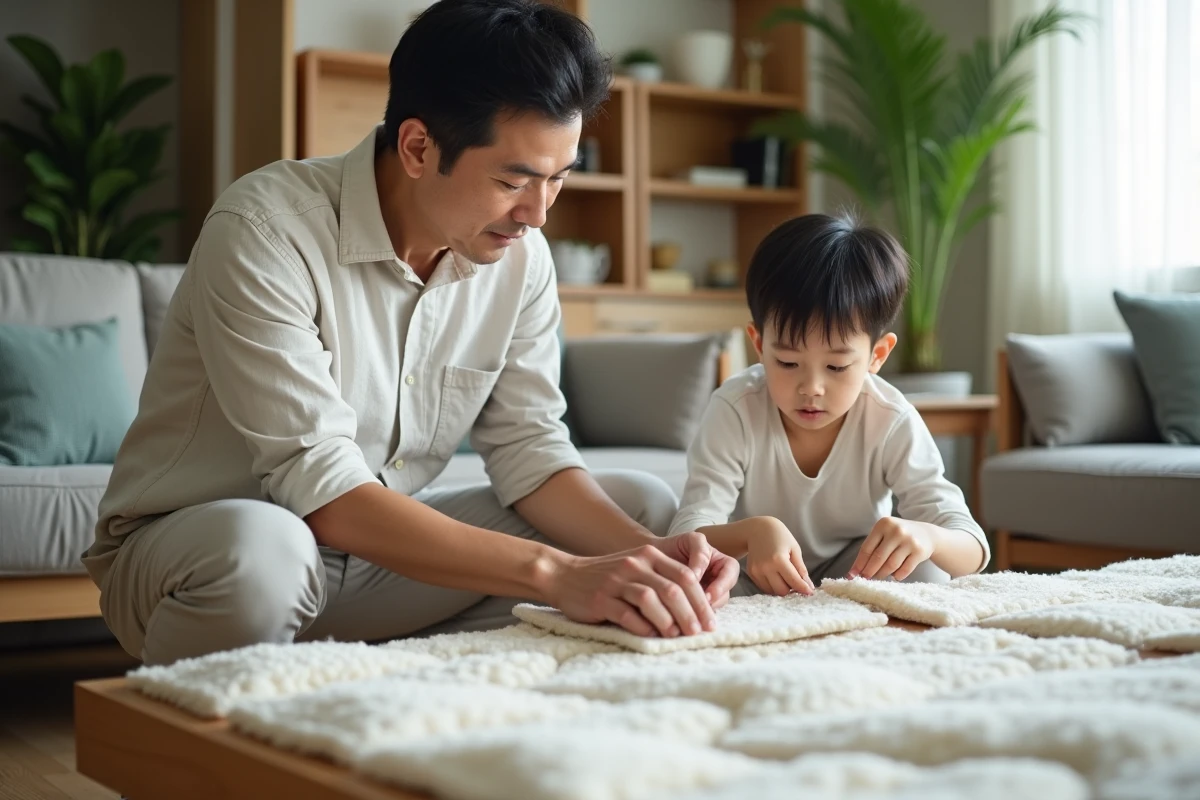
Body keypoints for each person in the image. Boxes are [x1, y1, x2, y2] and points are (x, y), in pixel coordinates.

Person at [83, 0, 738, 666]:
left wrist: (652, 561)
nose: (537, 214)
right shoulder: (266, 230)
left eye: (558, 180)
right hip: (204, 556)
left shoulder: (520, 258)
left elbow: (528, 448)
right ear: (419, 147)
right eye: (514, 180)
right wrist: (555, 573)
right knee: (266, 549)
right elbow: (322, 486)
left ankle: (441, 702)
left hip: (371, 562)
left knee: (641, 511)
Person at [668, 213, 989, 597]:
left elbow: (971, 545)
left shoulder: (889, 417)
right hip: (754, 572)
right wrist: (753, 533)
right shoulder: (736, 408)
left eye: (837, 366)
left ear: (877, 355)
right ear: (759, 344)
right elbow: (688, 535)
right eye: (787, 363)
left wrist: (929, 536)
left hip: (855, 573)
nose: (812, 388)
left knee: (927, 570)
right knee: (700, 579)